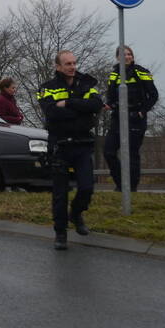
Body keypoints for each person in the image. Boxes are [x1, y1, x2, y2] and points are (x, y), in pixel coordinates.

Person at [36, 50, 103, 250]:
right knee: (60, 194)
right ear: (58, 67)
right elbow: (51, 112)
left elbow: (96, 104)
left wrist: (69, 103)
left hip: (82, 144)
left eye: (74, 63)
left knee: (86, 187)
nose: (73, 67)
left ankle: (76, 213)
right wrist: (81, 111)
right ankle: (61, 233)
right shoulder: (47, 88)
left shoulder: (86, 83)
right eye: (68, 64)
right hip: (60, 146)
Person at [103, 45, 158, 192]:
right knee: (108, 151)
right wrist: (109, 105)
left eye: (129, 54)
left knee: (132, 153)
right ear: (117, 57)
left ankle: (131, 188)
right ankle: (121, 184)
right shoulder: (114, 74)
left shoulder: (141, 72)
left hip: (135, 118)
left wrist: (142, 111)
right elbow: (111, 96)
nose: (127, 57)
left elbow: (153, 95)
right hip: (118, 117)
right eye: (123, 54)